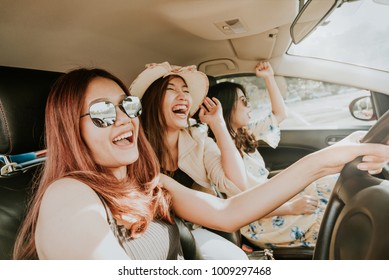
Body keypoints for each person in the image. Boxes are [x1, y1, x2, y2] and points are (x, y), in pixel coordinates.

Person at [13, 67, 389, 260]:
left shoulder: (149, 180)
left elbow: (229, 210)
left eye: (127, 105)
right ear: (69, 130)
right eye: (100, 112)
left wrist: (325, 161)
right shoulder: (68, 195)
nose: (124, 118)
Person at [203, 61, 361, 248]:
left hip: (273, 199)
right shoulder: (213, 150)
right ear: (226, 107)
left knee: (336, 181)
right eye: (244, 101)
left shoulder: (244, 133)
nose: (249, 106)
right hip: (260, 218)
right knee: (337, 216)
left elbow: (279, 114)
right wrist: (291, 207)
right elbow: (240, 202)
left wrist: (269, 78)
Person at [129, 62, 249, 260]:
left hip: (196, 230)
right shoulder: (134, 146)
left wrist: (218, 125)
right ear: (152, 100)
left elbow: (237, 185)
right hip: (154, 237)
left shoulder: (199, 139)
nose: (183, 96)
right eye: (171, 89)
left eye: (185, 91)